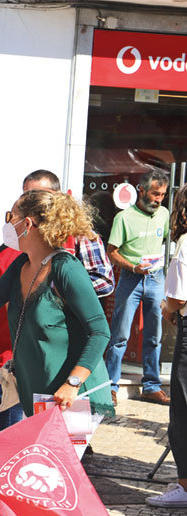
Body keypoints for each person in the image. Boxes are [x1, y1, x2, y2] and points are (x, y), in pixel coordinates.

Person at [0, 189, 114, 516]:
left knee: (52, 492)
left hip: (72, 397)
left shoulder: (65, 268)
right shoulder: (21, 264)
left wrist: (73, 382)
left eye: (12, 215)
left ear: (29, 223)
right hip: (37, 395)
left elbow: (100, 330)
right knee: (43, 491)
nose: (8, 222)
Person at [105, 170, 171, 406]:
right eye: (155, 193)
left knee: (154, 336)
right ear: (141, 190)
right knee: (120, 336)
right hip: (131, 279)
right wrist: (133, 267)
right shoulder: (124, 218)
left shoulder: (163, 214)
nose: (159, 199)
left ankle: (151, 386)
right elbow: (112, 252)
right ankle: (110, 386)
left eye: (162, 195)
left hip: (155, 279)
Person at [22, 169, 114, 298]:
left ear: (57, 195)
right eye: (26, 196)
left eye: (37, 195)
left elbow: (103, 281)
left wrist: (55, 292)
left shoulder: (80, 232)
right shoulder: (25, 231)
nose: (30, 202)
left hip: (64, 316)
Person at [152, 184, 187, 507]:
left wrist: (166, 309)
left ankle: (185, 486)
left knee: (183, 410)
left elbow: (178, 297)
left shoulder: (186, 243)